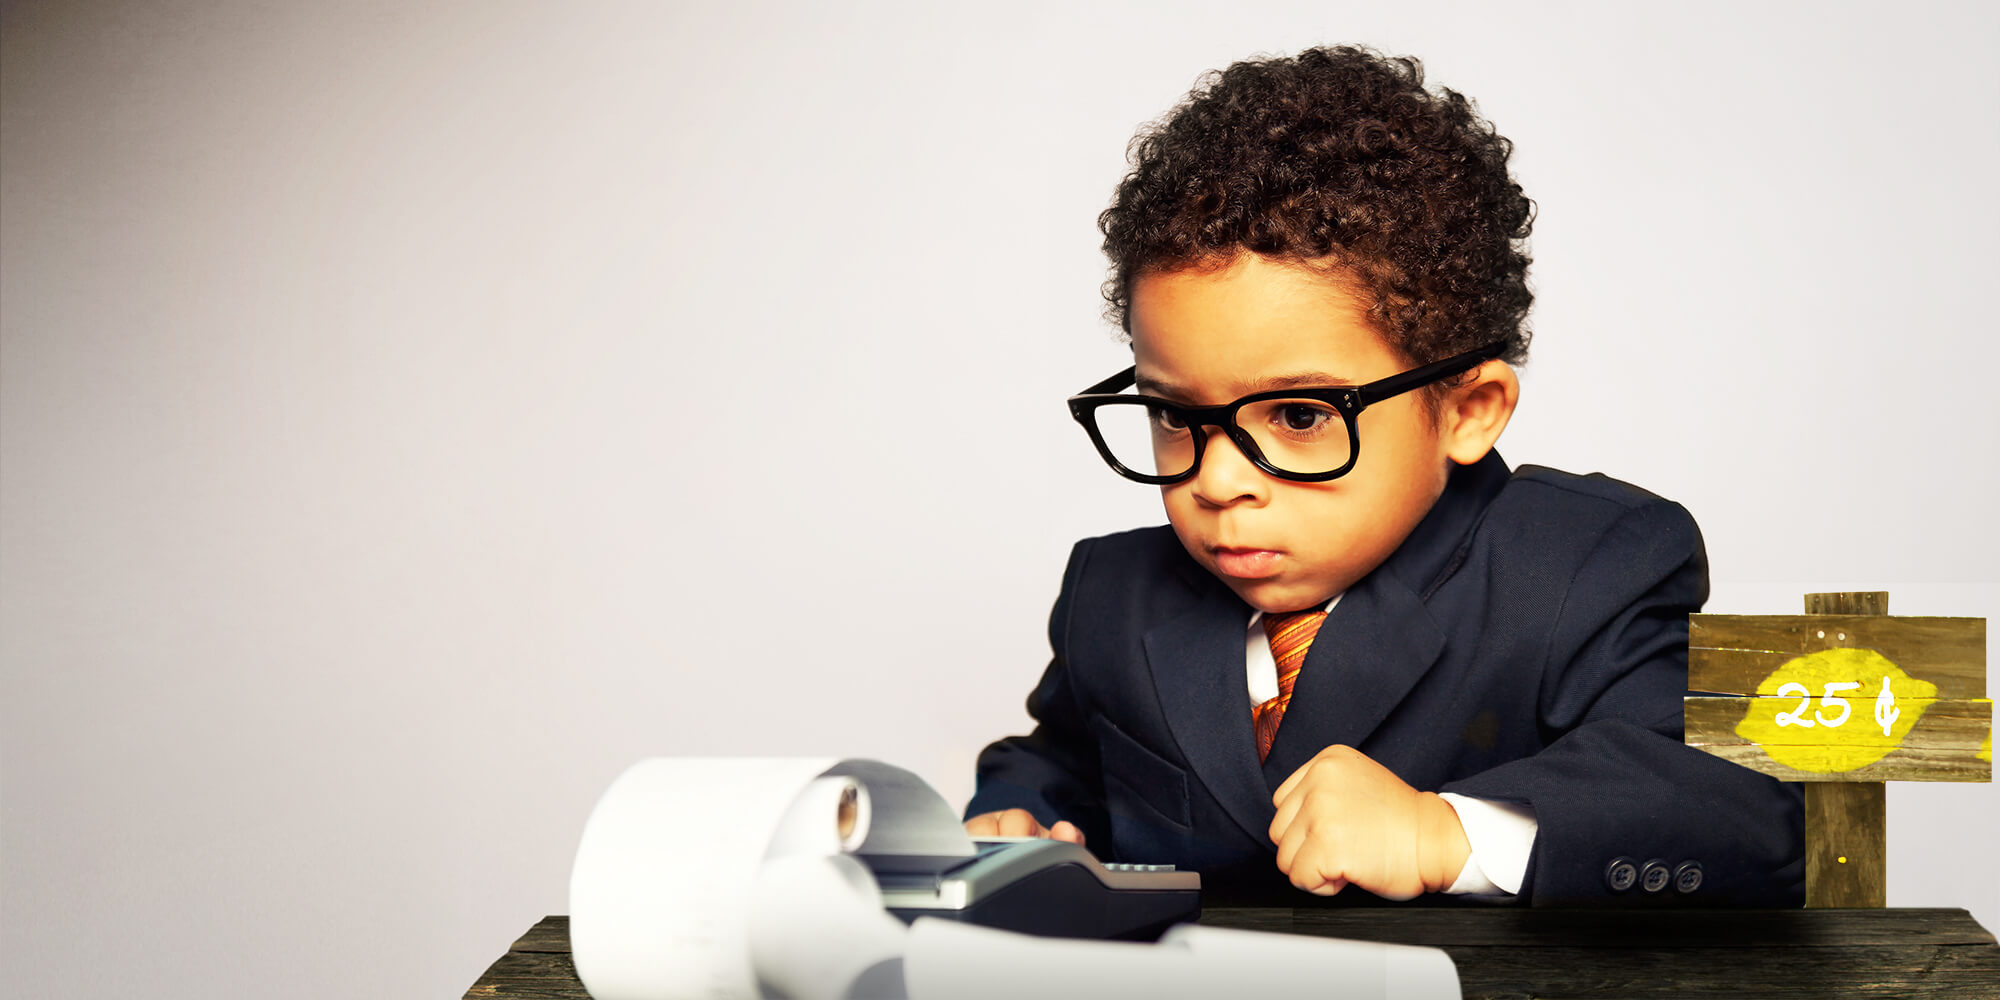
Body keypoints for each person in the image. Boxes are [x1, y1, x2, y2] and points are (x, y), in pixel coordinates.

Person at [960, 44, 1803, 906]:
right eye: (1177, 415)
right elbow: (1057, 763)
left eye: (1298, 416)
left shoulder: (1583, 568)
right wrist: (1020, 818)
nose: (1217, 480)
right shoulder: (1114, 593)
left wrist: (1450, 833)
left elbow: (1745, 814)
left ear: (1467, 409)